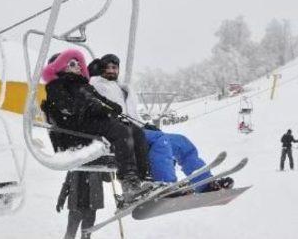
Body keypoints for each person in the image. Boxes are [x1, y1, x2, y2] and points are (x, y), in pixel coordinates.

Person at [89, 53, 233, 193]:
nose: (111, 70)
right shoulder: (97, 85)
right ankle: (165, 184)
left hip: (136, 129)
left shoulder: (122, 89)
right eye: (107, 67)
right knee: (160, 140)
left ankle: (205, 183)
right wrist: (92, 72)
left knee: (181, 142)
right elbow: (87, 93)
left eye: (114, 67)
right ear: (101, 69)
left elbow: (130, 114)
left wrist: (145, 125)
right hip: (119, 132)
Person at [39, 49, 150, 203]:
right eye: (72, 63)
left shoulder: (83, 84)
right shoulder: (56, 86)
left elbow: (100, 100)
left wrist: (113, 107)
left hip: (90, 124)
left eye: (78, 63)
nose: (77, 66)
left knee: (135, 130)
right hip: (75, 131)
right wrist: (97, 107)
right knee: (119, 130)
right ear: (61, 67)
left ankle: (143, 178)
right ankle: (128, 184)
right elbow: (69, 108)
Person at [56, 171, 105, 239]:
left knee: (86, 236)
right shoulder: (75, 166)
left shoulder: (96, 167)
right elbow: (66, 184)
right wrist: (61, 200)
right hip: (75, 207)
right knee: (70, 233)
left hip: (90, 209)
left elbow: (108, 178)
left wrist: (108, 165)